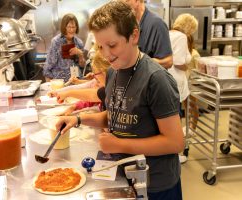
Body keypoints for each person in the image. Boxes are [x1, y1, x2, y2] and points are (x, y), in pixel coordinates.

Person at [56, 1, 184, 199]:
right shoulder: (114, 73)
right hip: (125, 175)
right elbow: (117, 115)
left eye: (112, 45)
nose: (106, 54)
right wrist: (79, 119)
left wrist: (119, 144)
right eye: (100, 46)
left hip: (155, 184)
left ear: (134, 36)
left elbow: (175, 142)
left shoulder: (156, 79)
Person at [168, 14, 198, 164]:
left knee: (168, 117)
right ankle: (174, 153)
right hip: (176, 82)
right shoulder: (181, 37)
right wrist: (188, 66)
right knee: (175, 118)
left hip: (167, 80)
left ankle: (170, 151)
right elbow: (179, 62)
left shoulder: (169, 33)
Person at [123, 0, 173, 69]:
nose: (122, 5)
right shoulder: (126, 24)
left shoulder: (157, 24)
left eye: (126, 1)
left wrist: (141, 62)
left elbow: (168, 62)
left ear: (137, 1)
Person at [43, 13, 85, 82]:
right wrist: (50, 85)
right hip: (60, 82)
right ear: (64, 27)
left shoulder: (79, 42)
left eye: (74, 27)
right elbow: (48, 66)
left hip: (76, 81)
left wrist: (80, 54)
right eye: (69, 27)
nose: (71, 30)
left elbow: (82, 66)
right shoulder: (56, 42)